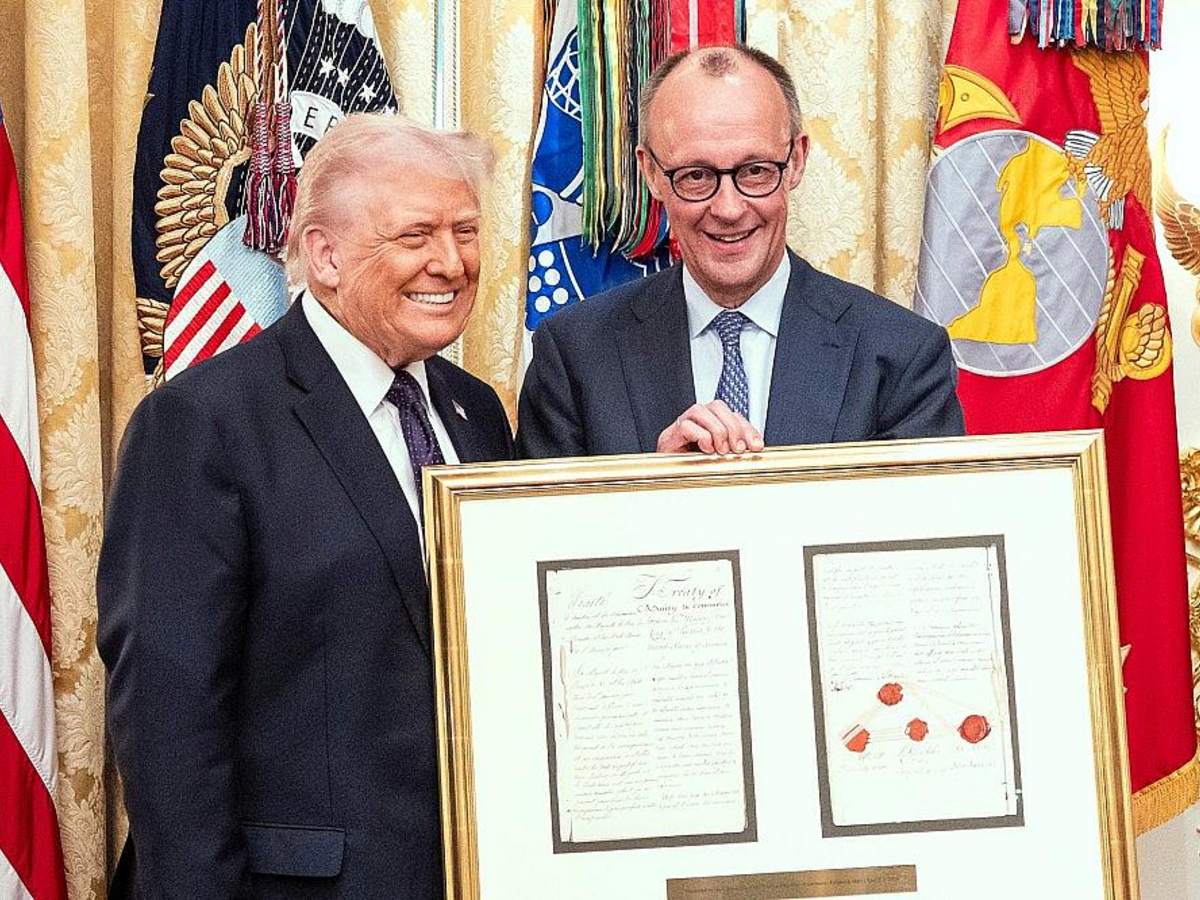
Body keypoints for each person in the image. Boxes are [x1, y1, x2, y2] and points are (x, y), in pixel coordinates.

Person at [97, 113, 513, 898]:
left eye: (465, 230)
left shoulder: (477, 412)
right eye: (416, 234)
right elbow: (167, 724)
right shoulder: (203, 424)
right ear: (324, 255)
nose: (452, 262)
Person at [517, 44, 964, 458]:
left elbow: (918, 519)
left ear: (796, 161)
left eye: (755, 171)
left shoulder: (904, 357)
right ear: (651, 173)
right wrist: (653, 489)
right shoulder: (574, 357)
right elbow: (541, 520)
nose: (729, 209)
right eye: (696, 176)